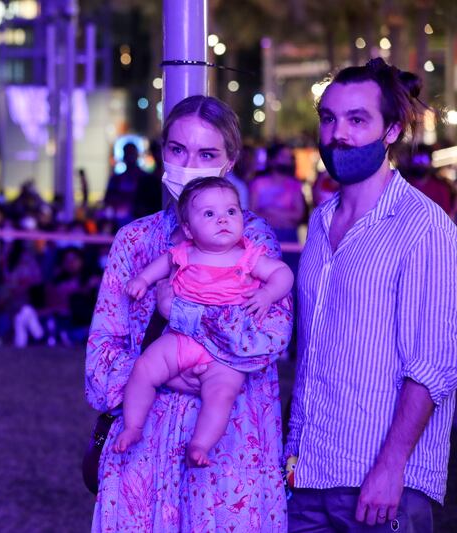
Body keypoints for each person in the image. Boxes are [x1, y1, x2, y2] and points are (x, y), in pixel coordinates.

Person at [86, 95, 291, 531]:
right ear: (162, 153)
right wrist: (158, 374)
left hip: (229, 456)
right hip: (142, 454)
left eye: (207, 153)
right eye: (178, 150)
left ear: (230, 161)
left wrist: (180, 315)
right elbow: (100, 360)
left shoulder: (255, 244)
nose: (189, 162)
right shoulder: (134, 241)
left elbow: (267, 342)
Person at [287, 57, 457, 531]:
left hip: (381, 486)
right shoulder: (320, 223)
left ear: (390, 131)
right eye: (329, 119)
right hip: (308, 473)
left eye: (357, 120)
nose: (338, 134)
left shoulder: (425, 228)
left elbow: (434, 364)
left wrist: (390, 467)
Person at [112, 177, 293, 467]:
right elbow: (163, 265)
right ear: (188, 229)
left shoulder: (248, 256)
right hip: (184, 338)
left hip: (227, 350)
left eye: (231, 211)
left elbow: (283, 274)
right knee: (144, 367)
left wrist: (268, 294)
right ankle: (133, 425)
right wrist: (142, 280)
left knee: (221, 394)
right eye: (209, 214)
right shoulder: (185, 253)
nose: (223, 219)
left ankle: (201, 445)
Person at [249, 143, 307, 242]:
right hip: (262, 236)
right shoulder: (258, 183)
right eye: (283, 156)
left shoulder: (295, 185)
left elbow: (299, 215)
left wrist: (270, 210)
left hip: (288, 235)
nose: (287, 160)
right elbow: (252, 213)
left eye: (289, 157)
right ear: (272, 159)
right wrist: (285, 218)